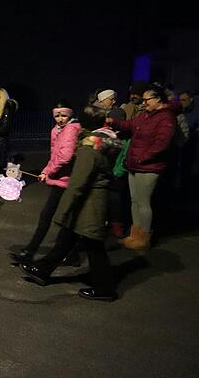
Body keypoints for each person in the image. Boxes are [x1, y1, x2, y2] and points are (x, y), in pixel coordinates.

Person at [20, 128, 122, 301]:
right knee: (67, 238)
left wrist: (62, 212)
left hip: (89, 205)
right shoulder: (102, 149)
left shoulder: (88, 151)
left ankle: (104, 289)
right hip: (90, 203)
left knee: (93, 246)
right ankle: (42, 270)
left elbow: (76, 184)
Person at [107, 83, 177, 250]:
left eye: (147, 100)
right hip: (135, 165)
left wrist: (141, 159)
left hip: (149, 167)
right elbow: (130, 125)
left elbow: (161, 144)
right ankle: (134, 235)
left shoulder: (166, 117)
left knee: (144, 202)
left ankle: (144, 237)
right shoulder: (146, 115)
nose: (144, 103)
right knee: (134, 201)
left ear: (158, 99)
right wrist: (113, 122)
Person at [10, 101, 80, 263]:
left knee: (55, 217)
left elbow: (65, 157)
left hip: (66, 180)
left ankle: (30, 252)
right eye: (57, 115)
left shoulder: (71, 130)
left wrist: (47, 172)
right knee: (60, 218)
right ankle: (69, 254)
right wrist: (45, 172)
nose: (60, 119)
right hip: (59, 178)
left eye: (64, 115)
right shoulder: (56, 130)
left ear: (70, 115)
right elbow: (54, 156)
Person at [178, 90, 198, 193]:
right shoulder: (181, 111)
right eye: (180, 100)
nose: (181, 102)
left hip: (193, 146)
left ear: (191, 100)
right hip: (183, 146)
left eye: (184, 100)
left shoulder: (195, 112)